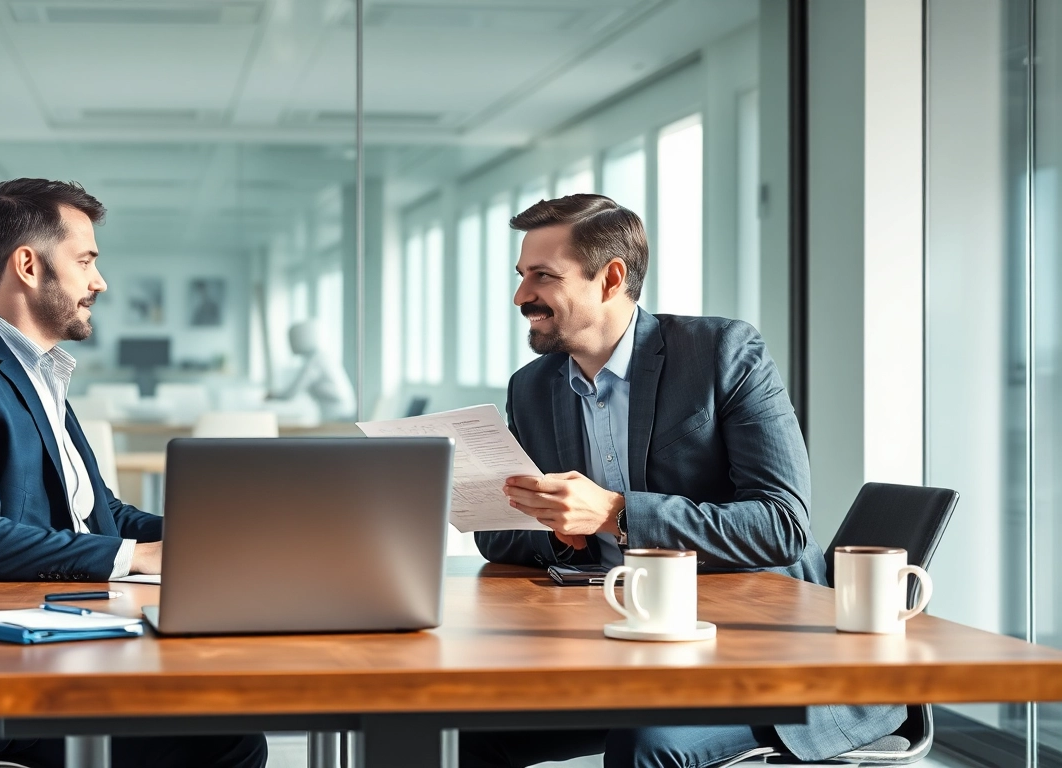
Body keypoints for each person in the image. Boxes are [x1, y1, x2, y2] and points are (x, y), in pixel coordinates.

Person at [463, 194, 904, 768]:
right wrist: (556, 529)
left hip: (765, 653)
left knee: (648, 743)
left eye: (543, 277)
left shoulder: (722, 352)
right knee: (463, 729)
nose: (522, 297)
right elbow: (499, 536)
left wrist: (615, 513)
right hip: (623, 644)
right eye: (522, 276)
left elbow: (783, 524)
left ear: (610, 279)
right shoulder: (532, 386)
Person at [0, 178, 266, 768]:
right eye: (85, 261)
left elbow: (100, 515)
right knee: (228, 738)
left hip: (42, 648)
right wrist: (134, 557)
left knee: (218, 704)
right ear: (28, 266)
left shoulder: (44, 377)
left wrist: (207, 533)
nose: (99, 282)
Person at [268, 320, 357, 421]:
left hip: (338, 417)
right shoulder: (322, 358)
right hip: (335, 414)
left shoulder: (316, 361)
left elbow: (293, 391)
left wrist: (273, 396)